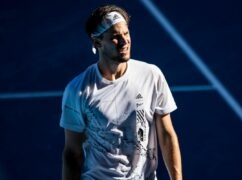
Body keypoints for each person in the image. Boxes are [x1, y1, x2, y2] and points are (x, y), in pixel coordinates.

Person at [60, 4, 182, 180]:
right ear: (97, 42)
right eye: (115, 37)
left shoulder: (151, 75)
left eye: (126, 34)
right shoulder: (77, 90)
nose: (125, 41)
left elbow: (166, 134)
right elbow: (72, 153)